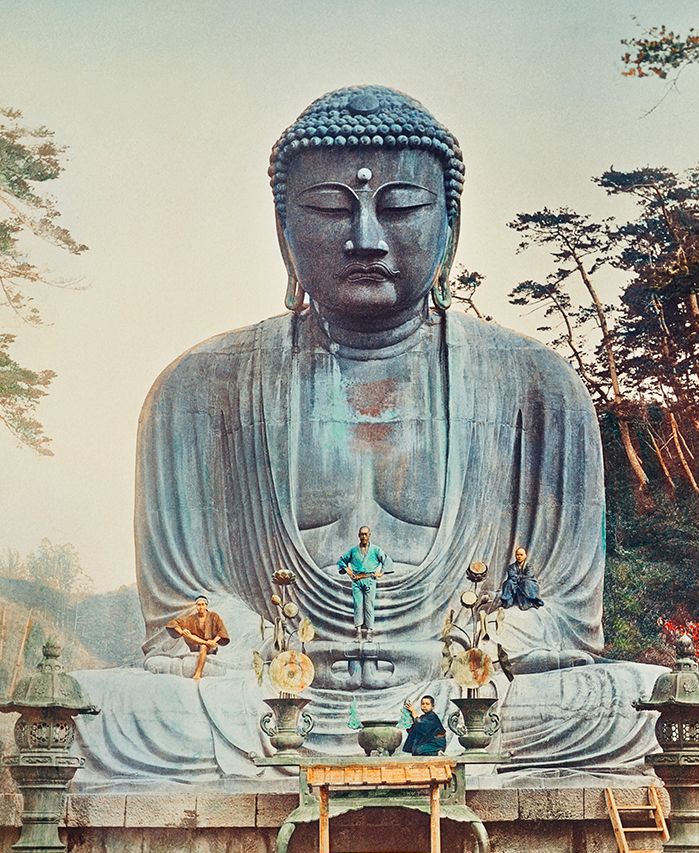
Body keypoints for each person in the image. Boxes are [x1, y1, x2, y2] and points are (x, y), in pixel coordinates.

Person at [71, 85, 665, 783]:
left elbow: (567, 620)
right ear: (281, 226)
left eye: (402, 207)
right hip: (264, 704)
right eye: (327, 209)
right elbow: (182, 621)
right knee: (92, 710)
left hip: (465, 696)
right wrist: (268, 661)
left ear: (451, 222)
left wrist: (460, 654)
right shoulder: (199, 389)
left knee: (642, 706)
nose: (365, 239)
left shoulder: (536, 385)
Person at [337, 526, 393, 640]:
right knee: (358, 605)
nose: (364, 537)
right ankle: (358, 631)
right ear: (358, 535)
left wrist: (381, 573)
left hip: (370, 580)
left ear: (369, 535)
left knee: (369, 606)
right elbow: (341, 561)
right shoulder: (353, 551)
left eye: (366, 534)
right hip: (357, 581)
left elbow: (387, 560)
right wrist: (349, 572)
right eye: (362, 534)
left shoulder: (376, 550)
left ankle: (369, 631)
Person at [166, 596, 230, 680]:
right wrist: (182, 632)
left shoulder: (214, 616)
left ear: (206, 605)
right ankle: (204, 643)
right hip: (196, 645)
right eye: (198, 605)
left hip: (210, 646)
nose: (201, 607)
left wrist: (213, 641)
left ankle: (197, 674)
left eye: (203, 604)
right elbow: (173, 623)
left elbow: (222, 630)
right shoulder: (191, 618)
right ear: (196, 606)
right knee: (187, 634)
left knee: (204, 647)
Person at [500, 547, 544, 611]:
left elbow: (529, 575)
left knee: (526, 583)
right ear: (515, 555)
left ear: (525, 556)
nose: (519, 556)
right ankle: (507, 602)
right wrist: (521, 577)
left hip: (525, 583)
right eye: (517, 555)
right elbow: (512, 576)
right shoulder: (511, 567)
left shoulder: (529, 566)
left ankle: (532, 601)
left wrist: (518, 577)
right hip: (514, 584)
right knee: (508, 582)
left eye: (521, 555)